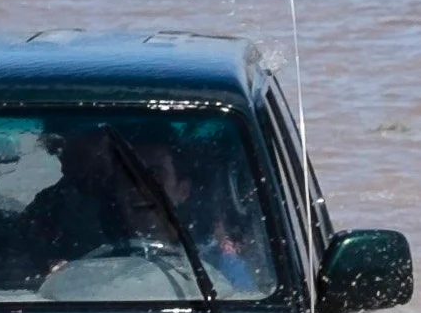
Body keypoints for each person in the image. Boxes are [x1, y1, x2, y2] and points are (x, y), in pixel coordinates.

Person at [20, 123, 262, 295]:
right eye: (129, 177)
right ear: (117, 190)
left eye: (155, 175)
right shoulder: (78, 256)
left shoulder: (222, 265)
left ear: (182, 190)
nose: (140, 187)